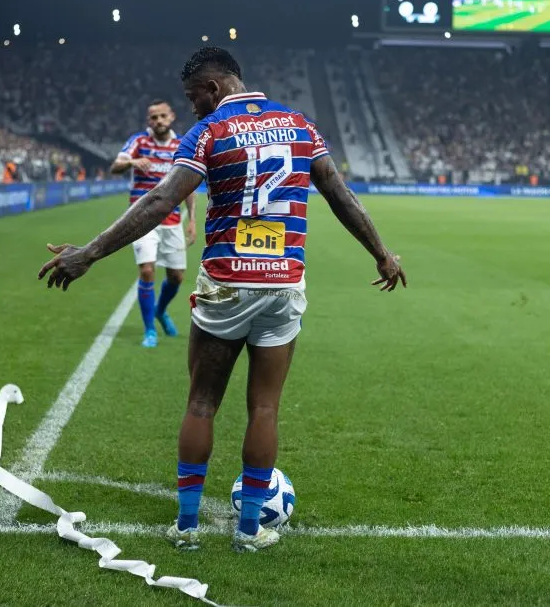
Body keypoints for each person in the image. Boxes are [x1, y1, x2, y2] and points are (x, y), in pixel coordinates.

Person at [39, 47, 405, 552]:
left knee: (202, 402)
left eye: (193, 99)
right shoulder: (301, 125)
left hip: (227, 282)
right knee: (265, 410)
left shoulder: (210, 131)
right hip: (283, 282)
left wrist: (91, 253)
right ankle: (250, 531)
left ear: (214, 89)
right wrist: (381, 253)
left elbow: (160, 200)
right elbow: (341, 195)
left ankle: (187, 529)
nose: (192, 108)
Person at [110, 99, 197, 348]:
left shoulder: (182, 145)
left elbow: (188, 186)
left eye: (162, 116)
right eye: (153, 117)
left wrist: (191, 219)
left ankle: (160, 311)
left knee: (177, 277)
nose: (158, 121)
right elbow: (116, 166)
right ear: (148, 121)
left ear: (171, 117)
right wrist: (131, 162)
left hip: (171, 220)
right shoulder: (138, 142)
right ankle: (150, 330)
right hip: (141, 219)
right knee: (147, 270)